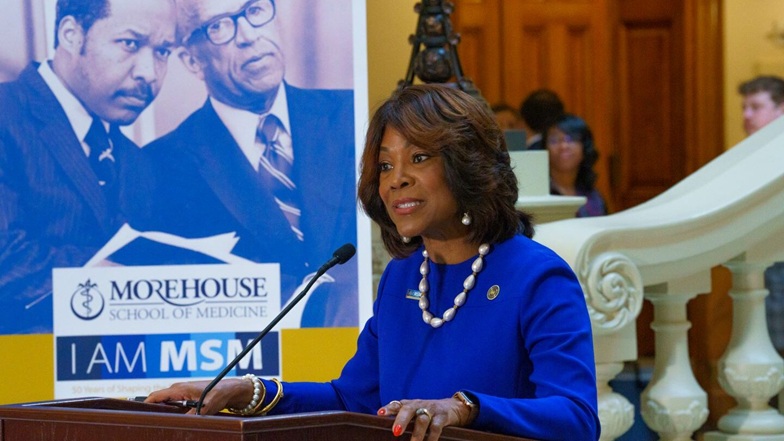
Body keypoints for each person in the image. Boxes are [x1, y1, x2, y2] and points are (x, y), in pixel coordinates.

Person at [145, 84, 600, 441]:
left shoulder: (537, 277)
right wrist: (250, 391)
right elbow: (352, 398)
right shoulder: (404, 276)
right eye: (384, 166)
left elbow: (577, 417)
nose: (397, 179)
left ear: (468, 165)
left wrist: (464, 408)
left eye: (418, 158)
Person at [137, 0, 358, 327]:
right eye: (220, 26)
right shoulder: (159, 166)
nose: (248, 36)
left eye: (254, 11)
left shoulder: (351, 117)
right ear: (192, 61)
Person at [0, 0, 176, 334]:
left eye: (163, 51)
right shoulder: (6, 114)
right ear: (71, 35)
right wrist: (122, 282)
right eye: (130, 43)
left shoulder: (138, 162)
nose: (149, 73)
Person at [738, 76, 784, 355]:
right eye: (744, 107)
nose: (746, 115)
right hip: (762, 267)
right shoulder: (748, 157)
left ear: (781, 109)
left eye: (755, 107)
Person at [544, 113, 607, 218]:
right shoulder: (541, 195)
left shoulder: (594, 197)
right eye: (554, 140)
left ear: (584, 147)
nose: (563, 146)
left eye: (571, 139)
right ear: (544, 148)